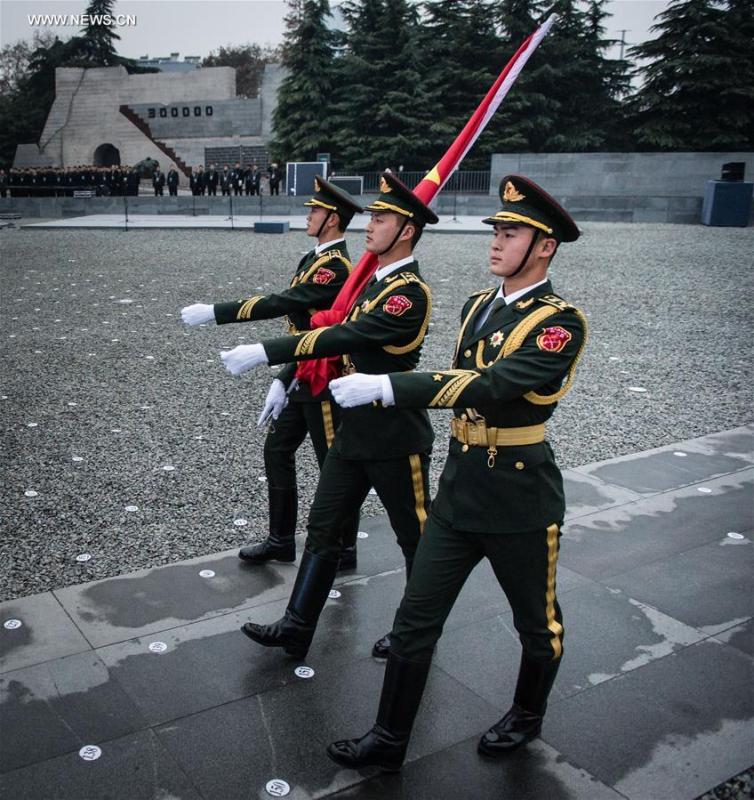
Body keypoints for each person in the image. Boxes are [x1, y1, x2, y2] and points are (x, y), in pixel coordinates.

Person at [326, 174, 588, 771]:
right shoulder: (477, 305)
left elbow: (493, 385)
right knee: (415, 618)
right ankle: (389, 740)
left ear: (544, 246)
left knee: (537, 624)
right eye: (495, 229)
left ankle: (527, 712)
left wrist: (390, 386)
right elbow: (462, 387)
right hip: (460, 486)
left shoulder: (560, 323)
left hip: (520, 496)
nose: (496, 241)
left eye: (512, 231)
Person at [219, 172, 438, 661]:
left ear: (406, 230)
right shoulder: (371, 285)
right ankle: (297, 626)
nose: (371, 224)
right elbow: (331, 331)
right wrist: (286, 376)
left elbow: (340, 338)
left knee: (415, 538)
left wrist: (265, 350)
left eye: (382, 218)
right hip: (354, 431)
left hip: (394, 436)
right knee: (323, 528)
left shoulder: (408, 293)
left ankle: (416, 630)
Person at [181, 177, 364, 572]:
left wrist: (218, 312)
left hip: (325, 377)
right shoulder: (315, 257)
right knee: (277, 450)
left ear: (333, 219)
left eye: (315, 210)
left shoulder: (335, 266)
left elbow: (286, 302)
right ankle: (281, 540)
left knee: (333, 463)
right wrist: (283, 378)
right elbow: (299, 329)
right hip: (302, 368)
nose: (309, 215)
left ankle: (345, 547)